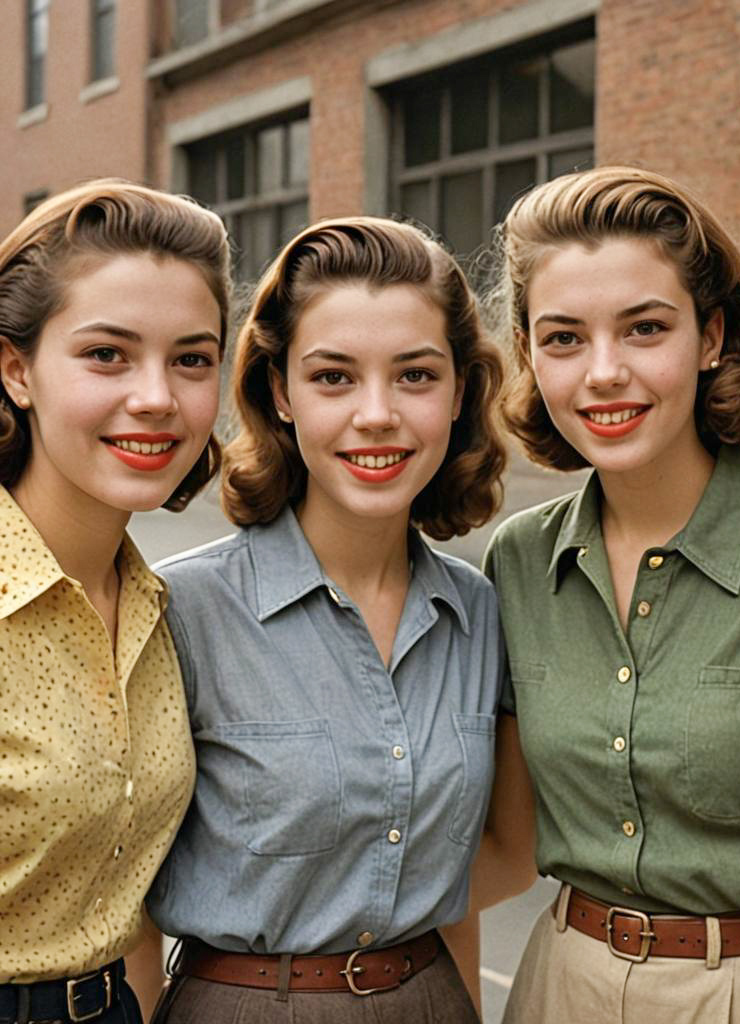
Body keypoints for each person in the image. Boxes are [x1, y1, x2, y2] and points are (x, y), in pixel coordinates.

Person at [482, 166, 740, 1024]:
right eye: (563, 339)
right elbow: (505, 843)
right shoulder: (519, 560)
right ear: (528, 352)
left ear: (711, 336)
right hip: (559, 983)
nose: (605, 372)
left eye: (645, 328)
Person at [145, 216, 507, 1024]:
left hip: (431, 998)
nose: (376, 415)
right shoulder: (184, 612)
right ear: (280, 393)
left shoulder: (478, 612)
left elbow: (464, 878)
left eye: (415, 376)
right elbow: (123, 903)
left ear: (458, 393)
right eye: (334, 378)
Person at [0, 180, 230, 1024]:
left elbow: (124, 894)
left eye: (192, 359)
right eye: (107, 355)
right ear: (17, 369)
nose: (157, 398)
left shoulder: (158, 608)